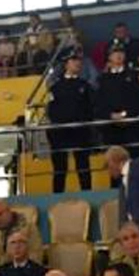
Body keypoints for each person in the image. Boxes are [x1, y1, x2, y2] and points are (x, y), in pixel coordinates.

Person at [47, 54, 94, 194]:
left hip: (80, 131)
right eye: (73, 60)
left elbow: (90, 108)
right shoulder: (56, 87)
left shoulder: (85, 86)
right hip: (60, 132)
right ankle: (57, 197)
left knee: (83, 166)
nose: (77, 63)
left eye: (79, 60)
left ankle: (87, 195)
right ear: (66, 64)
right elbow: (52, 110)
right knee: (60, 168)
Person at [95, 49, 139, 162]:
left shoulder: (134, 76)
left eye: (121, 52)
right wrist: (111, 115)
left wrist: (126, 115)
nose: (119, 55)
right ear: (109, 57)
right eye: (115, 53)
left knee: (135, 161)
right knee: (115, 162)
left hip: (132, 127)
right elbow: (99, 103)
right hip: (111, 129)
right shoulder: (102, 79)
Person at [0, 199, 43, 276]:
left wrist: (18, 271)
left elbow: (36, 254)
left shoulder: (29, 228)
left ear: (9, 211)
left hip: (25, 274)